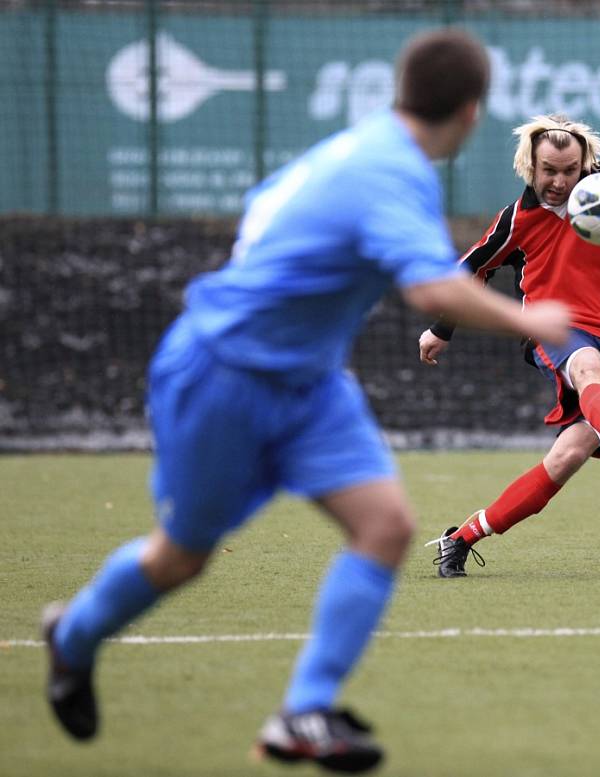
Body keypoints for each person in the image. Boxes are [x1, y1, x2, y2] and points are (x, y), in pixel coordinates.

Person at [42, 30, 571, 774]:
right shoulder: (389, 170)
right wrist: (529, 319)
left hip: (309, 381)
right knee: (182, 556)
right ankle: (74, 636)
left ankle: (305, 710)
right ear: (473, 112)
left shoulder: (360, 150)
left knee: (385, 524)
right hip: (224, 373)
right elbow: (428, 288)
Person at [420, 113, 600, 579]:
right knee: (586, 368)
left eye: (569, 169)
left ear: (585, 162)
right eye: (549, 170)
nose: (560, 181)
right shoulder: (517, 220)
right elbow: (472, 269)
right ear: (530, 166)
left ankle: (460, 538)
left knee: (565, 458)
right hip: (555, 327)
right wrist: (443, 327)